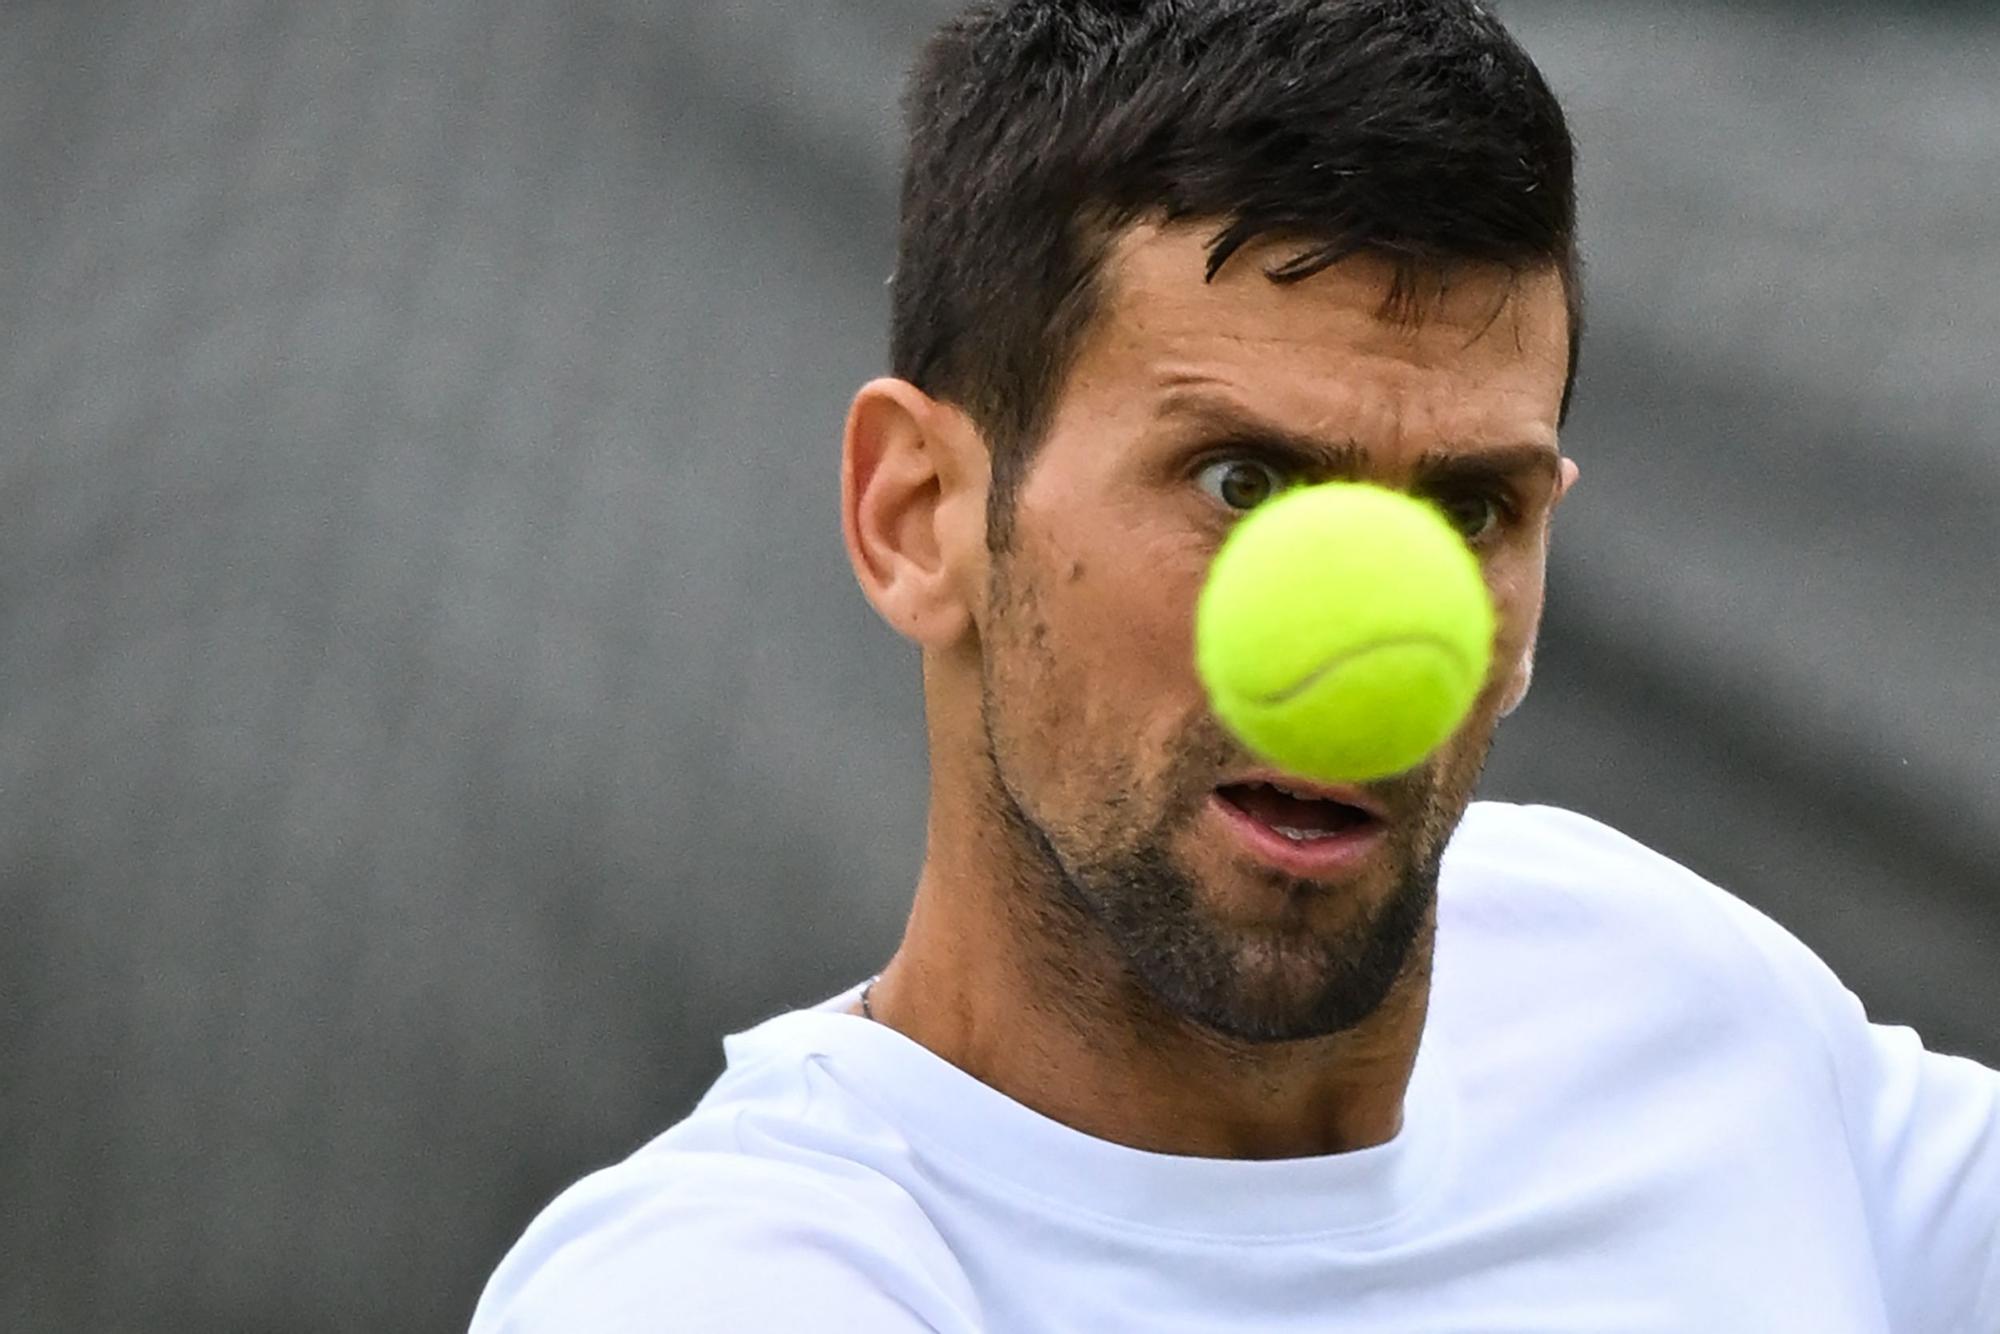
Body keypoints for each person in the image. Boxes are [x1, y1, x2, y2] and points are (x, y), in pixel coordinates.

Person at [471, 2, 2000, 1329]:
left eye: (1471, 507)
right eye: (1242, 483)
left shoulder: (1661, 985)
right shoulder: (729, 1290)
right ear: (919, 514)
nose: (1379, 633)